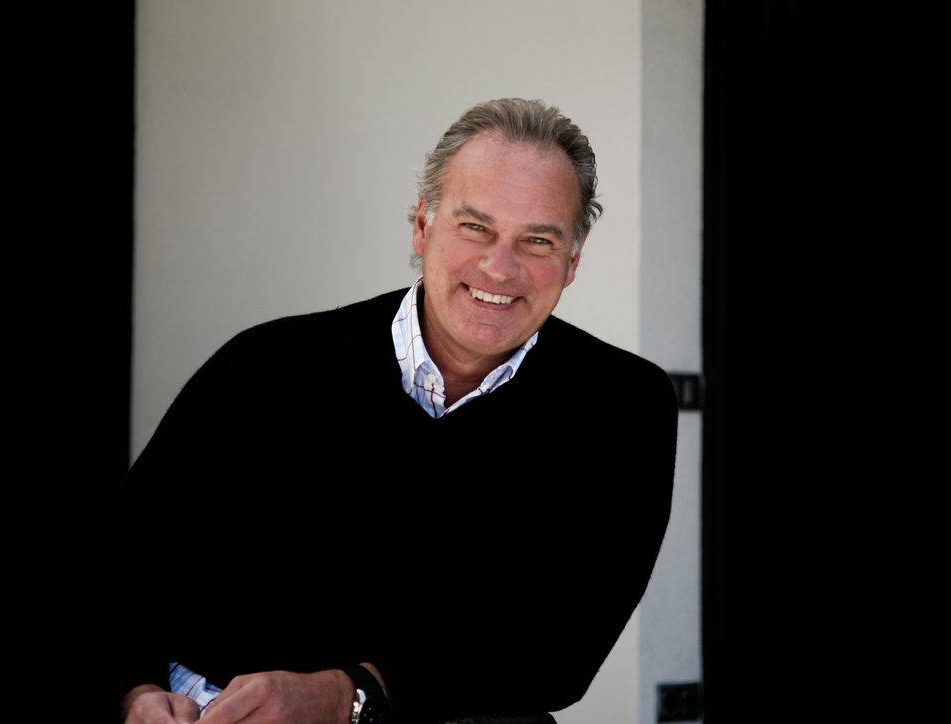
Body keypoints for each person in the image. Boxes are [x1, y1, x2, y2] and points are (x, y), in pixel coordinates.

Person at [117, 98, 677, 724]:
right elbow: (126, 562)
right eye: (475, 227)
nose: (500, 268)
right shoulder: (262, 367)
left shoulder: (624, 406)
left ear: (572, 261)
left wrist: (348, 695)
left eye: (537, 240)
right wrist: (135, 691)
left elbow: (559, 647)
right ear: (422, 226)